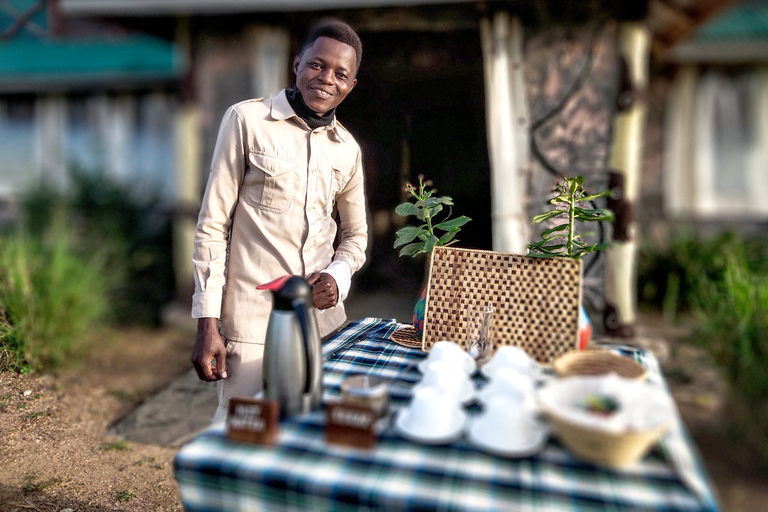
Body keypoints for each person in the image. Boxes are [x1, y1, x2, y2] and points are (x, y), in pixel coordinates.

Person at [190, 20, 368, 422]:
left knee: (309, 429)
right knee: (244, 429)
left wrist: (339, 276)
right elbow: (212, 225)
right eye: (317, 65)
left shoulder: (348, 151)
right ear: (297, 63)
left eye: (341, 74)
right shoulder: (247, 121)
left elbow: (357, 235)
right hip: (254, 325)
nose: (326, 79)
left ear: (351, 85)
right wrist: (207, 321)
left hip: (323, 324)